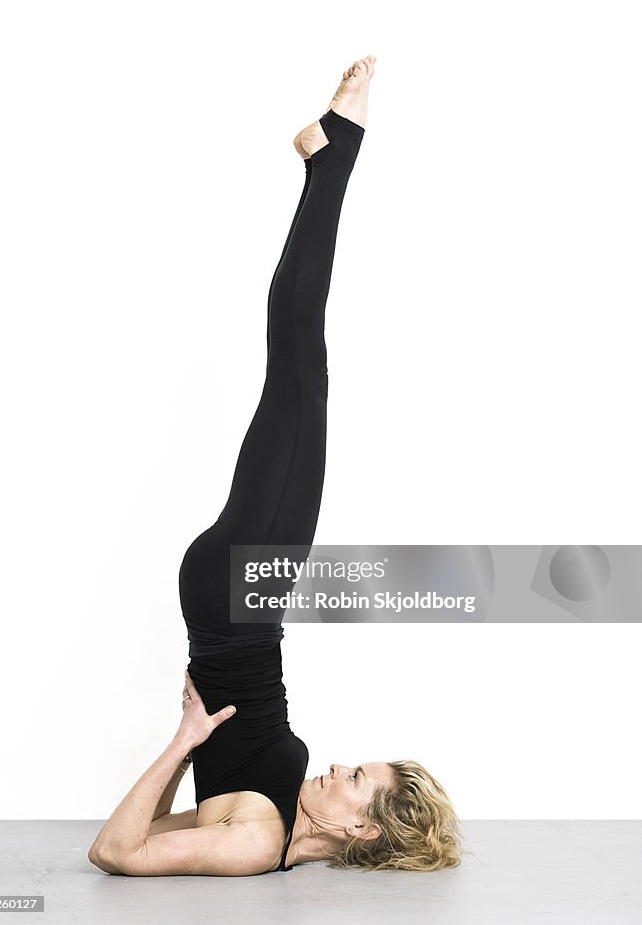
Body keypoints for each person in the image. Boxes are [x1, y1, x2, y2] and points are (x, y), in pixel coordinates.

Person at [88, 56, 464, 877]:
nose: (337, 767)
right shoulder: (274, 831)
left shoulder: (255, 842)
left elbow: (115, 852)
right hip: (235, 603)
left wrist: (185, 741)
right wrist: (189, 753)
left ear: (360, 830)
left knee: (300, 363)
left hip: (236, 598)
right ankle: (328, 155)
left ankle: (335, 152)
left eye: (354, 779)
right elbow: (151, 832)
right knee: (301, 365)